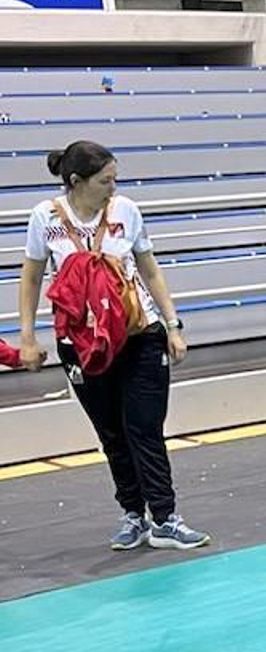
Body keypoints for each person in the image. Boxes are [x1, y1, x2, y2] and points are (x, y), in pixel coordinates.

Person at [17, 141, 210, 551]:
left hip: (140, 335)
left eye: (115, 178)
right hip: (82, 344)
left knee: (144, 427)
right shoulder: (44, 218)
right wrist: (29, 337)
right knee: (111, 432)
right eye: (105, 180)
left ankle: (165, 517)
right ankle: (133, 515)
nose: (113, 187)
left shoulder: (127, 210)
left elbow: (149, 269)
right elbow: (32, 278)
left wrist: (173, 324)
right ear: (76, 182)